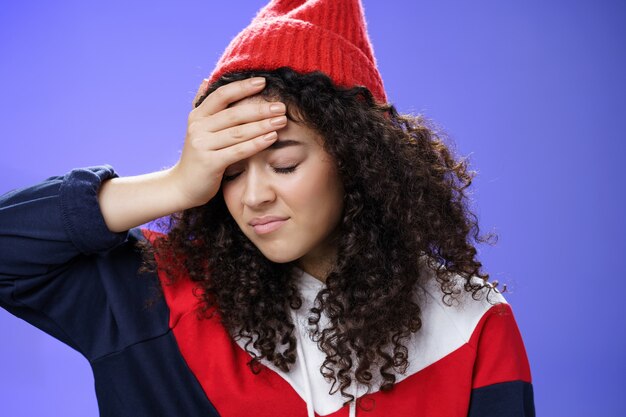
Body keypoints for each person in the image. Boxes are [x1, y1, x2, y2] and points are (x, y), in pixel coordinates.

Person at [0, 0, 535, 416]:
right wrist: (177, 184)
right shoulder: (155, 294)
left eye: (283, 165)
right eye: (229, 171)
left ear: (359, 163)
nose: (253, 195)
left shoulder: (468, 320)